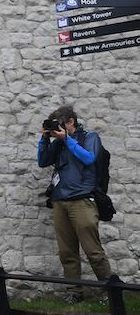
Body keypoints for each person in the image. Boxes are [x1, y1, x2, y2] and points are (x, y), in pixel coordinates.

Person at [37, 105, 111, 302]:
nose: (57, 130)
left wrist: (66, 140)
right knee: (67, 252)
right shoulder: (59, 143)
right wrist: (45, 138)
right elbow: (43, 161)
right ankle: (74, 292)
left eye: (59, 125)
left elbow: (89, 158)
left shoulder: (89, 137)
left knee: (93, 250)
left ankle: (111, 292)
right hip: (60, 201)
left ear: (71, 122)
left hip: (82, 200)